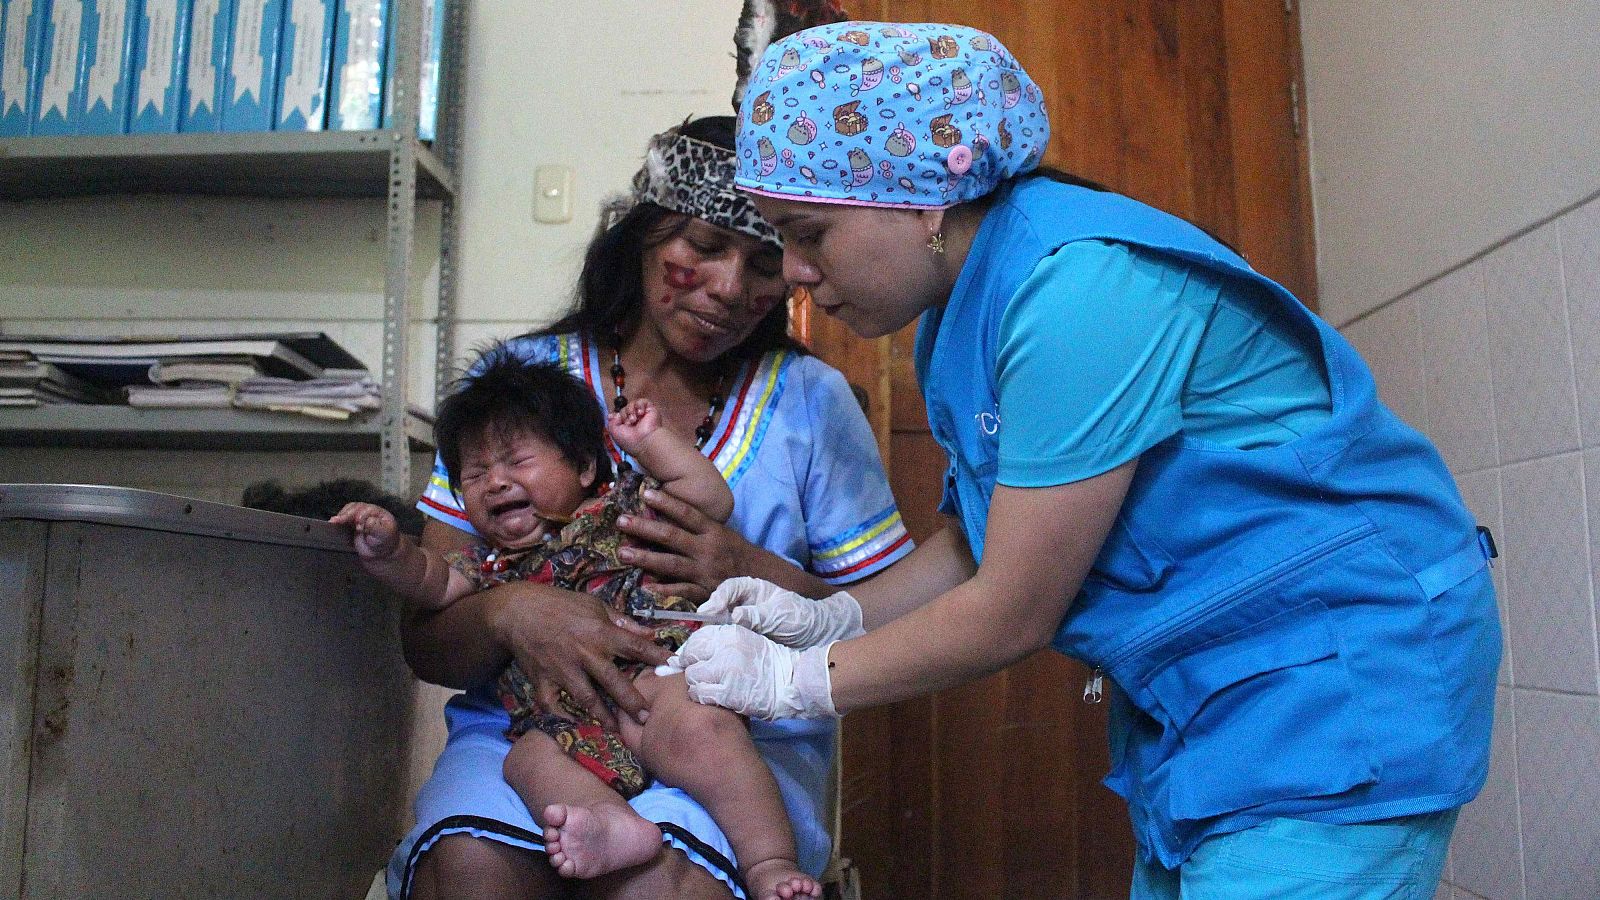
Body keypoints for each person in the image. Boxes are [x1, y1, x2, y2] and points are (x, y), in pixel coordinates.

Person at [670, 21, 1502, 900]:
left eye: (808, 234)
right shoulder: (959, 312)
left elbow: (1011, 610)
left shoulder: (1078, 289)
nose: (793, 273)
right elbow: (982, 543)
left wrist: (794, 681)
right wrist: (832, 617)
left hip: (1340, 673)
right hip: (1217, 688)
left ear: (920, 198)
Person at [387, 115, 913, 900]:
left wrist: (745, 568)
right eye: (704, 246)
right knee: (471, 869)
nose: (731, 288)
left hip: (726, 731)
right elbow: (427, 644)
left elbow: (893, 625)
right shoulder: (514, 390)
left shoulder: (811, 403)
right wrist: (511, 612)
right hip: (533, 729)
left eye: (765, 261)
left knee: (657, 887)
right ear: (642, 232)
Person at [335, 350, 820, 900]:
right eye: (475, 474)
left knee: (706, 730)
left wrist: (652, 443)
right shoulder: (491, 566)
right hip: (564, 718)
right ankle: (613, 824)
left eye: (517, 462)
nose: (495, 483)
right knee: (527, 762)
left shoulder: (624, 506)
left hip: (656, 684)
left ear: (586, 467)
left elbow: (711, 498)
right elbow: (433, 582)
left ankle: (768, 862)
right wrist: (391, 552)